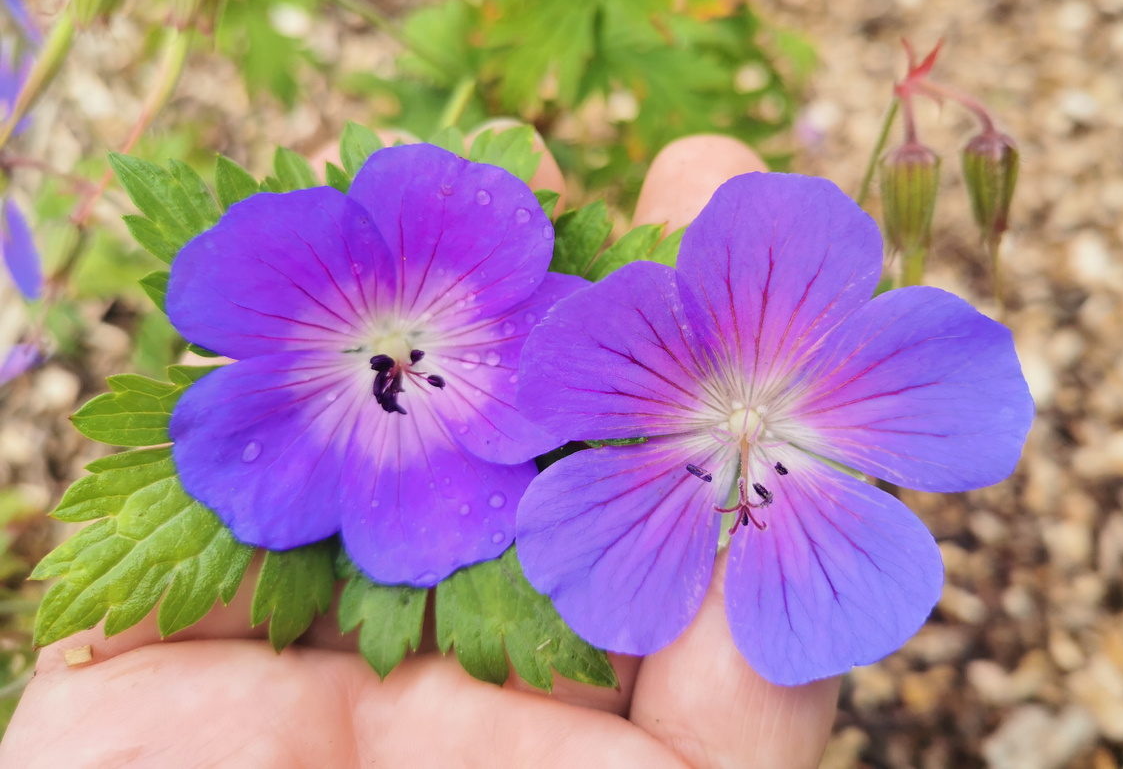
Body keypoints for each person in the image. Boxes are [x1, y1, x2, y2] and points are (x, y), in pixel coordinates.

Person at [0, 134, 840, 768]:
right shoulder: (289, 394)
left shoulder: (523, 333)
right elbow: (257, 454)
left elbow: (560, 366)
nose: (395, 370)